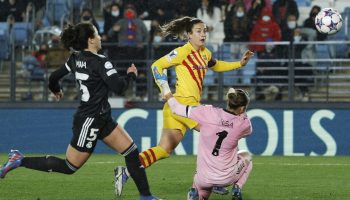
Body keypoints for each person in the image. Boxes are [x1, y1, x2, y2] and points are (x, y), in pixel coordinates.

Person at [0, 22, 158, 200]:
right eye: (97, 35)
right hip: (89, 120)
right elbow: (119, 87)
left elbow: (53, 77)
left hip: (101, 117)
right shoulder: (101, 61)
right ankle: (19, 160)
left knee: (131, 152)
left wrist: (55, 89)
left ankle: (146, 196)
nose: (99, 38)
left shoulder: (75, 59)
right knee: (69, 167)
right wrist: (131, 75)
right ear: (91, 40)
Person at [114, 16, 254, 196]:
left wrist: (239, 64)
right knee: (218, 132)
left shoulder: (205, 53)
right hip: (183, 105)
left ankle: (126, 171)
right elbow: (157, 66)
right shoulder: (182, 52)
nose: (203, 34)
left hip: (179, 109)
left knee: (164, 150)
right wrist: (165, 89)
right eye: (198, 31)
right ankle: (214, 179)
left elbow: (217, 65)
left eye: (204, 31)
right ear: (189, 35)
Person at [162, 87, 253, 200]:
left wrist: (165, 87)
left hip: (203, 178)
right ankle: (237, 188)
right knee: (246, 156)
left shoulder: (208, 112)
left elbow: (176, 108)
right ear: (242, 108)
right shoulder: (243, 124)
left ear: (228, 101)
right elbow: (247, 127)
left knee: (200, 189)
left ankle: (195, 194)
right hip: (227, 178)